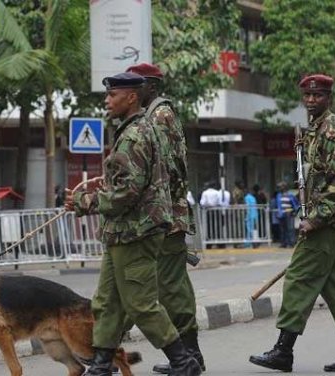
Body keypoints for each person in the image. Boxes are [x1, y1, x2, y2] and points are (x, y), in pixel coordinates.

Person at [65, 72, 201, 376]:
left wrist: (86, 202)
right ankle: (101, 364)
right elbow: (128, 183)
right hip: (122, 233)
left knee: (140, 303)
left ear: (131, 97)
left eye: (112, 95)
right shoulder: (134, 130)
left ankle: (183, 361)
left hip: (136, 233)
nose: (106, 101)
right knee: (107, 302)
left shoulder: (136, 135)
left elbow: (127, 192)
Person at [249, 74, 335, 373]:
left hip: (327, 222)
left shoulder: (334, 129)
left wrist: (315, 219)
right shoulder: (314, 131)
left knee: (299, 279)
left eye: (317, 95)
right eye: (307, 95)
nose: (311, 100)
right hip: (328, 221)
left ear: (329, 97)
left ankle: (283, 350)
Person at [126, 63, 204, 374]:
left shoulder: (159, 116)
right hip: (163, 215)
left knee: (172, 287)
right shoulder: (155, 114)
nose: (132, 90)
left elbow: (165, 170)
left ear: (151, 85)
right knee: (166, 286)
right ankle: (187, 355)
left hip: (166, 216)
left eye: (136, 84)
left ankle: (190, 356)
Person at [275, 181, 299, 248]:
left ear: (284, 187)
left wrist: (294, 211)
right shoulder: (278, 195)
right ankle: (283, 243)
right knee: (282, 229)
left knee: (290, 229)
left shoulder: (290, 195)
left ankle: (291, 243)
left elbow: (296, 204)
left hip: (289, 213)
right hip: (281, 214)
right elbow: (278, 205)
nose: (279, 188)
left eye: (280, 187)